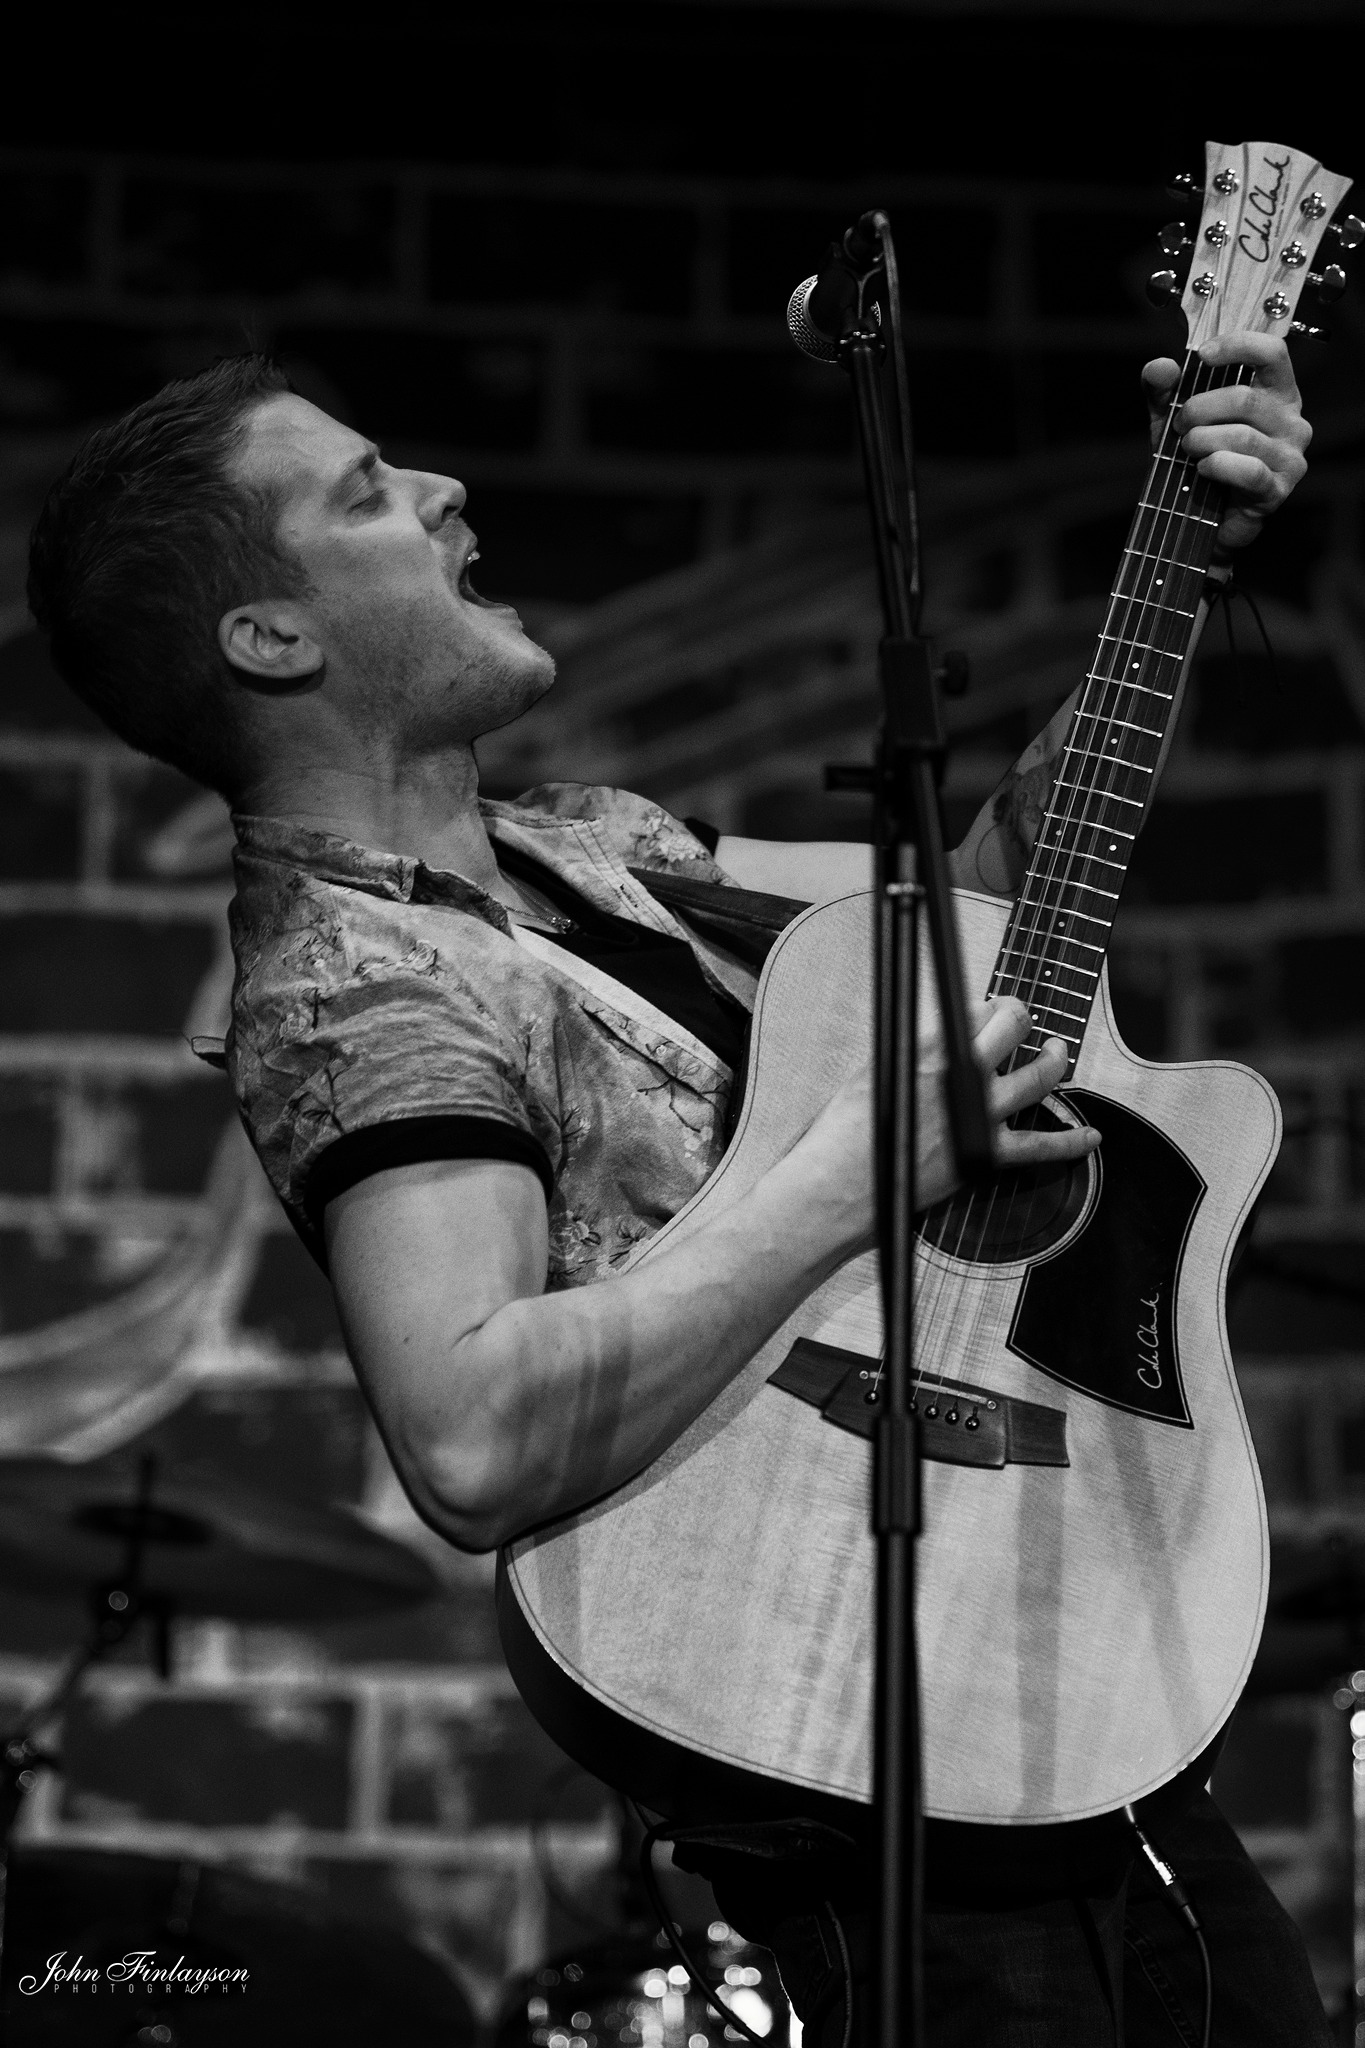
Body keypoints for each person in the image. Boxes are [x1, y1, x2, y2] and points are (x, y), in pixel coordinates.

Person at [26, 337, 1327, 2044]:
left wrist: (1177, 560)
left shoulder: (593, 850)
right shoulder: (361, 980)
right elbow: (471, 1439)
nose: (444, 490)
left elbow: (998, 917)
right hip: (828, 1694)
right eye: (367, 494)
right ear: (273, 639)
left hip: (1025, 1665)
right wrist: (857, 1177)